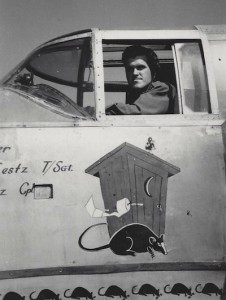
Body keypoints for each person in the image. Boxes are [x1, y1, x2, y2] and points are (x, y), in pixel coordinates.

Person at [105, 45, 177, 115]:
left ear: (153, 71)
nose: (134, 73)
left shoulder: (163, 88)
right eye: (129, 69)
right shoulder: (134, 93)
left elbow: (137, 111)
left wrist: (103, 111)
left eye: (140, 67)